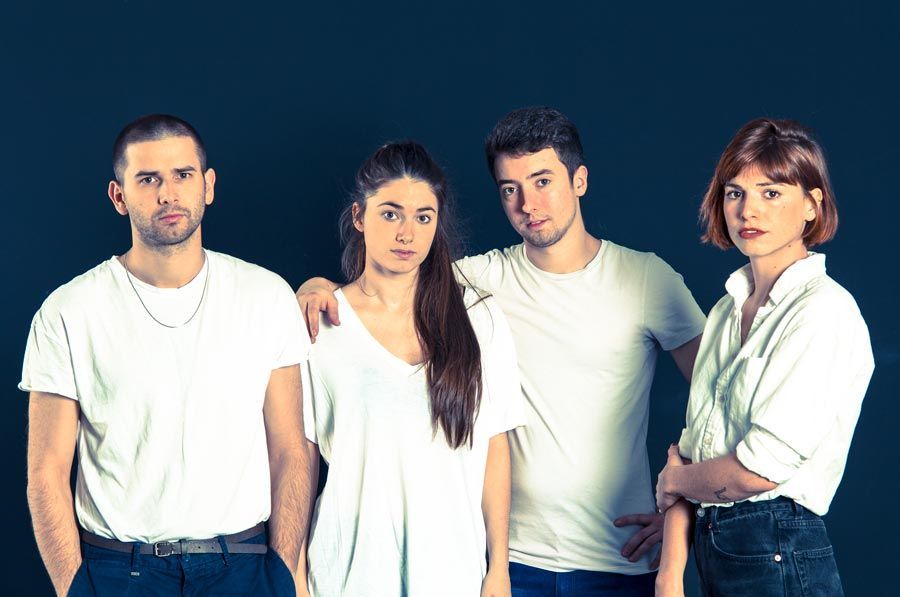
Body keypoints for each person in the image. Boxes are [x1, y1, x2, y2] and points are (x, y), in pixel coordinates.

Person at [297, 107, 707, 596]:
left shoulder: (645, 280)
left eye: (542, 181)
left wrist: (684, 514)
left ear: (579, 180)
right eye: (510, 188)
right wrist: (318, 287)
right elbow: (389, 281)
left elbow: (719, 398)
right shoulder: (479, 283)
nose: (528, 203)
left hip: (619, 558)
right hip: (512, 560)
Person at [22, 114, 311, 596]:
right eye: (148, 179)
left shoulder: (266, 296)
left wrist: (280, 573)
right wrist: (74, 588)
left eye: (183, 175)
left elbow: (290, 451)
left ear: (208, 185)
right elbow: (46, 472)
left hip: (242, 566)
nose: (168, 194)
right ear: (119, 196)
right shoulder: (68, 311)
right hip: (118, 570)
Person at [654, 118, 874, 596]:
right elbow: (690, 451)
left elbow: (759, 470)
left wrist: (678, 481)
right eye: (735, 193)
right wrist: (669, 576)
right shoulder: (724, 311)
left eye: (771, 193)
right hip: (714, 546)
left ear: (811, 205)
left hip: (778, 544)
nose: (748, 210)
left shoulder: (824, 311)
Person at [297, 141, 524, 597]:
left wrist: (497, 568)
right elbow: (299, 457)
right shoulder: (320, 322)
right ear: (359, 217)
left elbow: (494, 447)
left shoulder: (478, 316)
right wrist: (297, 576)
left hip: (452, 575)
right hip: (347, 577)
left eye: (423, 217)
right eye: (390, 214)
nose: (407, 233)